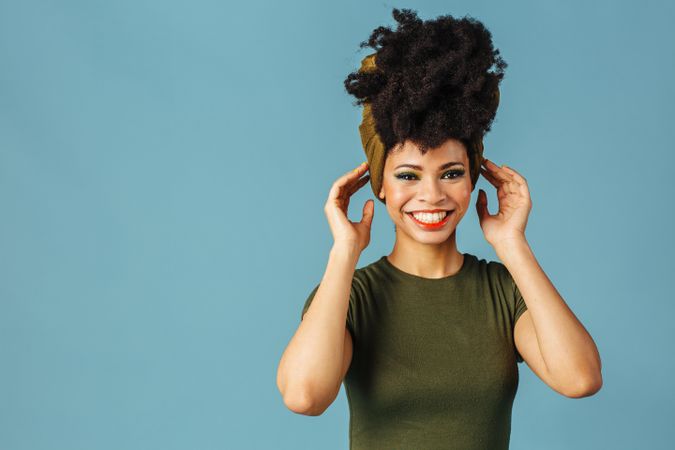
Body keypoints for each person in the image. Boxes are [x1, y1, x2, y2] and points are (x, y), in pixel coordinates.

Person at [276, 8, 602, 449]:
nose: (431, 195)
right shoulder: (350, 295)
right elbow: (304, 396)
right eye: (408, 175)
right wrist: (344, 252)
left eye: (450, 173)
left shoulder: (503, 292)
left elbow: (579, 379)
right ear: (381, 186)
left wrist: (512, 243)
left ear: (474, 179)